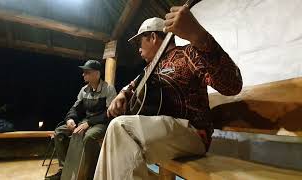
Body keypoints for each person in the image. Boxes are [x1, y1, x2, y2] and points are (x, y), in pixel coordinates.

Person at [93, 6, 243, 180]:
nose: (138, 49)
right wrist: (123, 93)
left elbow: (233, 85)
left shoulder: (187, 53)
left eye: (139, 42)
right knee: (113, 136)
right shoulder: (149, 70)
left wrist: (198, 36)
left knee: (121, 128)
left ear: (153, 37)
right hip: (165, 134)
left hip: (193, 134)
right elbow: (132, 85)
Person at [46, 60, 117, 180]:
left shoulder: (109, 89)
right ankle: (65, 170)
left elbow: (109, 114)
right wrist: (70, 119)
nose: (83, 75)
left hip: (101, 123)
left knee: (89, 136)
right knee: (59, 132)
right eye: (84, 72)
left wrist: (89, 123)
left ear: (97, 74)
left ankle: (91, 174)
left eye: (87, 72)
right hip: (86, 122)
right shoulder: (84, 90)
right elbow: (75, 108)